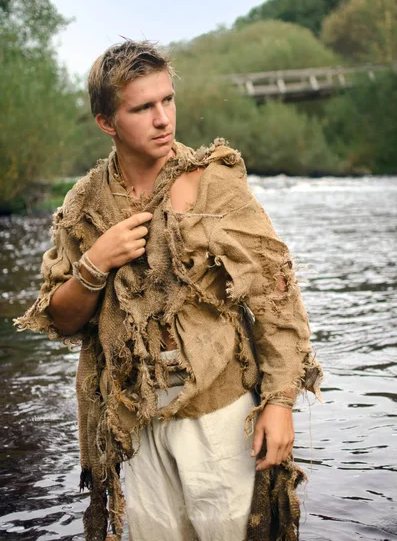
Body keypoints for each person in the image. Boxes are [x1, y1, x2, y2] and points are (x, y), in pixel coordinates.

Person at [15, 40, 323, 541]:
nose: (163, 119)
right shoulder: (84, 203)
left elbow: (274, 296)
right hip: (132, 421)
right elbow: (63, 320)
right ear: (106, 122)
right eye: (143, 107)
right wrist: (96, 264)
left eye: (168, 100)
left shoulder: (212, 182)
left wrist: (280, 403)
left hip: (219, 413)